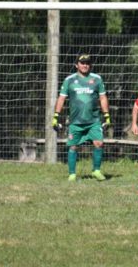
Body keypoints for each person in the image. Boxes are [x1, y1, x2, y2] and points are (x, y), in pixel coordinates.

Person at [52, 53, 111, 181]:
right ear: (76, 65)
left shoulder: (97, 79)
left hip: (93, 120)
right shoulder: (69, 80)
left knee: (99, 143)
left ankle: (96, 170)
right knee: (73, 146)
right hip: (75, 121)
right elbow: (61, 98)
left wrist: (107, 116)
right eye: (82, 63)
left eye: (87, 63)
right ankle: (72, 174)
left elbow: (102, 97)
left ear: (91, 65)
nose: (85, 65)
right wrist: (56, 116)